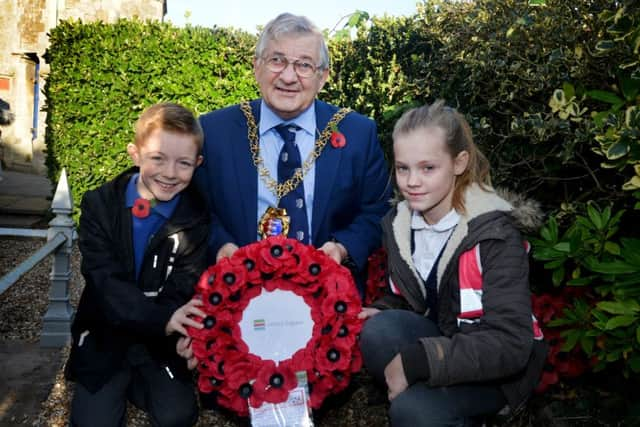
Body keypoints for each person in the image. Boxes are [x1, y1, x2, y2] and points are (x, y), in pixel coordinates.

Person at [358, 100, 547, 426]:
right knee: (377, 332)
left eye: (427, 168)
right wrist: (385, 309)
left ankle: (476, 411)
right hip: (449, 335)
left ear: (459, 163)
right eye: (403, 168)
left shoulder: (494, 237)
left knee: (411, 413)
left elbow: (511, 344)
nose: (412, 182)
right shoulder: (402, 225)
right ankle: (433, 397)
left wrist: (418, 361)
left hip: (499, 370)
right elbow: (418, 293)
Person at [194, 12, 391, 283]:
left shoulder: (357, 133)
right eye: (277, 60)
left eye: (304, 65)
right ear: (256, 66)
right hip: (237, 293)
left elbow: (377, 210)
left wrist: (341, 248)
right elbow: (194, 208)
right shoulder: (214, 131)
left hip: (330, 296)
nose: (288, 77)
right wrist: (221, 246)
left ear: (322, 77)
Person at [65, 102, 210, 427]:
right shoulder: (99, 205)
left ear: (197, 163)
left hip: (160, 342)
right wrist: (165, 317)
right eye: (158, 158)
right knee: (93, 422)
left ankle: (143, 385)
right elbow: (105, 282)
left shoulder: (196, 216)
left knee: (179, 415)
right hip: (106, 334)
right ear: (135, 153)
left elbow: (186, 282)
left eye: (183, 163)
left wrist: (179, 324)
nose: (170, 173)